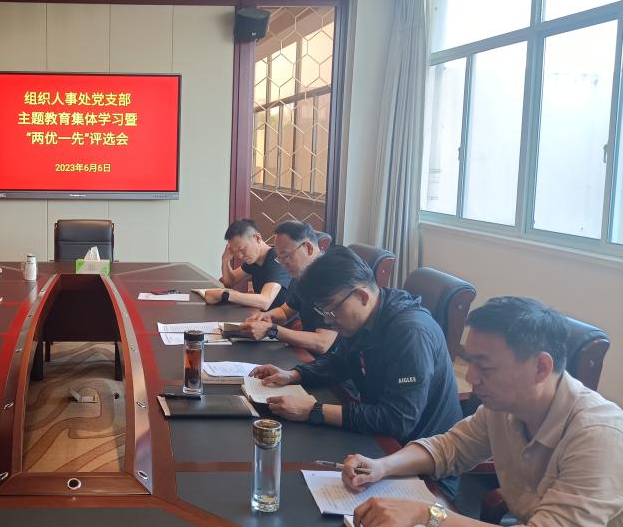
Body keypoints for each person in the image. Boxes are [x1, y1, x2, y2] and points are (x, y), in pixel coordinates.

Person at [342, 297, 623, 527]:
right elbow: (450, 447)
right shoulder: (503, 406)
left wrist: (428, 515)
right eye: (470, 362)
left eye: (485, 367)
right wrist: (382, 466)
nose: (471, 377)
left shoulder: (599, 437)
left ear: (541, 368)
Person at [249, 245, 462, 496]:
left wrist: (313, 410)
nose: (327, 320)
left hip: (420, 469)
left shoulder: (410, 332)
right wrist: (294, 375)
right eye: (322, 312)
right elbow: (339, 361)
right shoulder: (367, 317)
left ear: (362, 296)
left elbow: (398, 420)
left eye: (331, 310)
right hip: (376, 448)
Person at [240, 220, 337, 354]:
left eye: (286, 256)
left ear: (308, 248)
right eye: (279, 258)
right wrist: (264, 317)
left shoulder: (331, 278)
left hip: (329, 359)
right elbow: (285, 312)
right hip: (307, 351)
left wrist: (271, 330)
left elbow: (323, 343)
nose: (283, 264)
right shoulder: (303, 274)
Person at [202, 219, 291, 311]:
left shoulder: (278, 260)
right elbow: (230, 283)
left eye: (242, 249)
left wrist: (224, 295)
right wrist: (225, 260)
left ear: (257, 238)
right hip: (264, 315)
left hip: (283, 319)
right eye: (235, 251)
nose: (240, 256)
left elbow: (265, 301)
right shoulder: (254, 259)